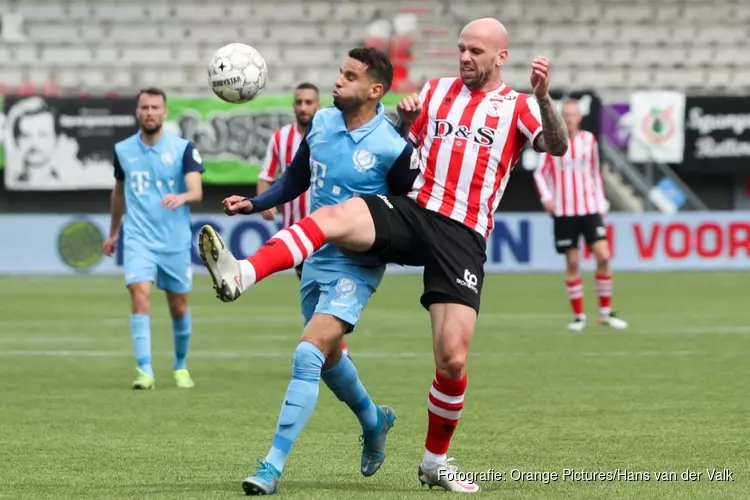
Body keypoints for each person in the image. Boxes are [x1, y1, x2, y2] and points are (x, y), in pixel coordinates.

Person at [201, 18, 568, 493]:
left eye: (476, 51)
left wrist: (543, 96)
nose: (465, 57)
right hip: (415, 211)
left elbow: (556, 146)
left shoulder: (519, 107)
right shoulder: (435, 91)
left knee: (452, 358)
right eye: (461, 48)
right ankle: (244, 271)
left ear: (501, 57)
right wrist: (408, 122)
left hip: (463, 233)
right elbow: (397, 149)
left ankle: (435, 461)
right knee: (336, 215)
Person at [199, 47, 417, 495]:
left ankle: (270, 466)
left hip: (355, 267)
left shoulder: (393, 148)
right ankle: (376, 421)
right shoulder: (320, 124)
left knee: (306, 354)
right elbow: (296, 178)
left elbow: (407, 211)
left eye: (350, 76)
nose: (337, 81)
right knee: (329, 359)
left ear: (375, 90)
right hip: (312, 257)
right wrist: (254, 202)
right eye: (340, 72)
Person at [103, 87, 204, 390]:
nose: (149, 112)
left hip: (173, 239)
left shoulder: (184, 148)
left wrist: (182, 196)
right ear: (138, 112)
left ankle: (180, 366)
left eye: (155, 107)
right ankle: (144, 370)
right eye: (144, 107)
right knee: (139, 294)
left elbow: (197, 192)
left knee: (179, 306)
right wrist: (113, 232)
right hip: (138, 238)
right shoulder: (123, 150)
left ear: (165, 111)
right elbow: (119, 192)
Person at [258, 83, 349, 357]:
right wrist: (264, 202)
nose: (303, 107)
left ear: (318, 105)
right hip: (298, 234)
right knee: (317, 294)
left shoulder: (330, 134)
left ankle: (333, 350)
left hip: (330, 228)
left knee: (330, 289)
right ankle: (332, 350)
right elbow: (266, 176)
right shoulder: (280, 138)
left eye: (309, 102)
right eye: (298, 102)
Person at [533, 99, 628, 332]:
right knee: (573, 262)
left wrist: (601, 200)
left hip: (589, 209)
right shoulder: (553, 142)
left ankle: (605, 313)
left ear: (579, 117)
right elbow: (539, 173)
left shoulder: (589, 141)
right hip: (565, 211)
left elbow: (595, 172)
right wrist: (547, 198)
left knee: (603, 256)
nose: (569, 118)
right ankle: (578, 317)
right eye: (565, 114)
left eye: (573, 114)